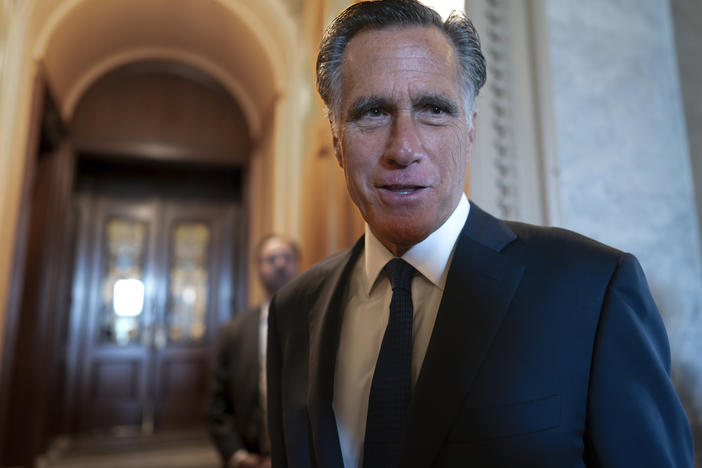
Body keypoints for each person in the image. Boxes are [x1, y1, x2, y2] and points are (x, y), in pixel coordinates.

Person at [266, 1, 694, 467]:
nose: (404, 148)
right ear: (336, 140)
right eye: (372, 112)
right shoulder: (294, 312)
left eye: (433, 109)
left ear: (469, 130)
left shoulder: (594, 291)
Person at [207, 235, 300, 468]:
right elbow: (217, 404)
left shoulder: (317, 322)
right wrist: (238, 456)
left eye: (286, 257)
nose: (279, 264)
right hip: (250, 458)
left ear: (297, 264)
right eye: (271, 259)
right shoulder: (233, 333)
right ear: (257, 267)